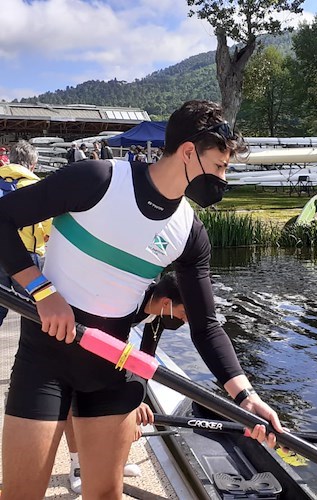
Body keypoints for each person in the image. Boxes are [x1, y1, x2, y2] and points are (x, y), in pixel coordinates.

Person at [0, 99, 282, 499]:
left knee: (104, 496)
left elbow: (205, 325)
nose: (222, 178)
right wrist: (42, 291)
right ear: (188, 152)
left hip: (112, 365)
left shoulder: (190, 233)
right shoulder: (96, 179)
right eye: (219, 166)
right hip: (46, 356)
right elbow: (3, 219)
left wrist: (246, 396)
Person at [65, 273, 187, 494]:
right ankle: (77, 466)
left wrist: (136, 402)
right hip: (75, 334)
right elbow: (103, 352)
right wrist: (130, 407)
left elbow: (145, 361)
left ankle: (114, 463)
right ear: (167, 303)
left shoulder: (157, 316)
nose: (185, 321)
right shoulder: (128, 300)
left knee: (128, 398)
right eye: (183, 313)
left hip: (109, 341)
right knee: (74, 395)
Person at [0, 140, 51, 326]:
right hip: (27, 257)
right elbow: (49, 228)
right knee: (36, 310)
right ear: (33, 164)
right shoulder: (37, 187)